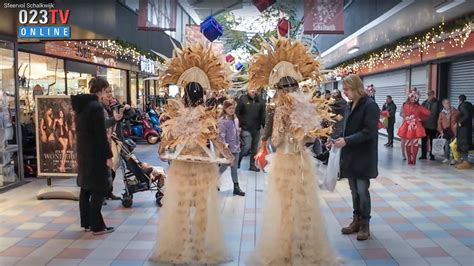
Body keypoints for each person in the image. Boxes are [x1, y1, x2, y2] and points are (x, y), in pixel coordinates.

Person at [250, 37, 340, 265]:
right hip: (292, 161)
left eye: (290, 87)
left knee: (298, 205)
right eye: (286, 87)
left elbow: (301, 137)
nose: (288, 91)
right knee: (291, 205)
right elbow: (277, 138)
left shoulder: (297, 108)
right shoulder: (279, 109)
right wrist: (284, 125)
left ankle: (299, 246)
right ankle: (291, 246)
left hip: (294, 161)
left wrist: (293, 126)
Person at [150, 43, 232, 264]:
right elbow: (216, 140)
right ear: (203, 95)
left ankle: (180, 245)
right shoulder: (208, 116)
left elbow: (166, 142)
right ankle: (199, 246)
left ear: (183, 94)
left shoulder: (176, 115)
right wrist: (229, 156)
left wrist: (162, 151)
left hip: (181, 168)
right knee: (203, 207)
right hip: (204, 167)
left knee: (181, 206)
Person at [327, 74, 379, 241]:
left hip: (364, 156)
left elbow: (369, 132)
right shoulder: (350, 105)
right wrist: (335, 140)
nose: (344, 92)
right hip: (351, 156)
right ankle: (356, 220)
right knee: (354, 192)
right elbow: (346, 129)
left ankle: (365, 225)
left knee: (363, 191)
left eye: (347, 89)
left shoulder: (370, 106)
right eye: (344, 89)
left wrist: (346, 141)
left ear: (357, 88)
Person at [71, 76, 123, 235]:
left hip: (84, 153)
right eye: (106, 90)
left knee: (86, 189)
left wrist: (114, 119)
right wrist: (108, 156)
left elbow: (94, 128)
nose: (107, 94)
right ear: (100, 90)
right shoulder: (96, 107)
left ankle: (86, 223)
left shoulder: (82, 105)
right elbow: (100, 134)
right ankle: (97, 226)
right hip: (95, 154)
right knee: (99, 188)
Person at [218, 100, 245, 196]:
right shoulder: (223, 121)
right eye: (229, 108)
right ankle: (214, 179)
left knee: (233, 167)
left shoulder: (235, 119)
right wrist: (225, 146)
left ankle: (236, 186)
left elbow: (236, 131)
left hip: (236, 146)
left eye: (233, 108)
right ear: (225, 109)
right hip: (228, 148)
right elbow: (221, 135)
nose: (232, 110)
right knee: (225, 166)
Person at [397, 88, 430, 165]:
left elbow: (427, 113)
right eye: (412, 97)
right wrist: (406, 117)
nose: (413, 99)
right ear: (409, 97)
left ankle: (414, 159)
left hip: (416, 125)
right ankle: (409, 159)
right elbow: (401, 113)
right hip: (407, 125)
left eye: (415, 97)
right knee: (408, 142)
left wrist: (420, 117)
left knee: (415, 142)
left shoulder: (418, 106)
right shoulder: (404, 105)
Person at [236, 88, 265, 171]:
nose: (253, 91)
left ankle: (252, 165)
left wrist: (265, 128)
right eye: (251, 89)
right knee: (247, 146)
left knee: (254, 148)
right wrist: (239, 124)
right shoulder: (242, 99)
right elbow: (237, 112)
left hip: (256, 128)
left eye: (255, 89)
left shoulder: (261, 101)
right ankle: (238, 160)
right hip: (245, 128)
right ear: (248, 90)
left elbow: (263, 116)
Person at [437, 99, 459, 164]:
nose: (448, 104)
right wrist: (440, 130)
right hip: (446, 130)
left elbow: (460, 118)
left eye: (449, 103)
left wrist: (457, 124)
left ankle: (453, 159)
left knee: (453, 145)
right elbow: (439, 122)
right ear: (443, 104)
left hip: (453, 130)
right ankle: (447, 157)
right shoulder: (442, 113)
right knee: (447, 144)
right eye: (446, 103)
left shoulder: (454, 111)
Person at [420, 91, 440, 160]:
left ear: (433, 95)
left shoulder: (436, 102)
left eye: (430, 95)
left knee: (432, 140)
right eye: (428, 95)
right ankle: (423, 155)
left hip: (432, 125)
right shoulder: (425, 102)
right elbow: (421, 111)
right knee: (424, 141)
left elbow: (435, 113)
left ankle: (432, 155)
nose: (429, 96)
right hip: (424, 125)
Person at [455, 94, 473, 169]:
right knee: (464, 144)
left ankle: (465, 162)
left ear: (459, 100)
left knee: (463, 144)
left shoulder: (462, 106)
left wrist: (460, 123)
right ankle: (463, 160)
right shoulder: (469, 106)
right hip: (467, 128)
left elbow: (466, 115)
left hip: (463, 129)